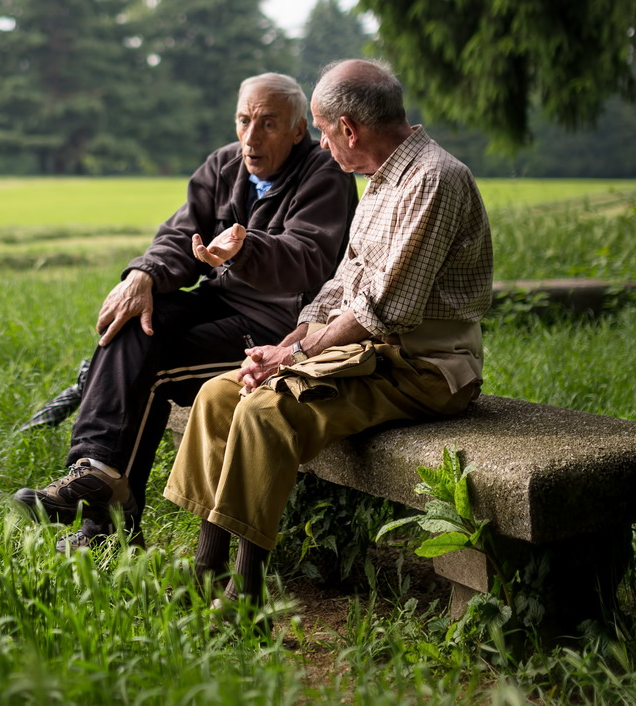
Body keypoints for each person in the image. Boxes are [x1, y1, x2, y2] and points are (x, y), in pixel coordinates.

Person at [163, 59, 493, 610]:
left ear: (349, 129)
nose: (320, 141)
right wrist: (286, 347)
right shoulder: (383, 180)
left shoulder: (433, 179)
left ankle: (244, 595)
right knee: (222, 394)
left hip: (427, 369)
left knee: (267, 410)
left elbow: (385, 311)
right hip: (375, 354)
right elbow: (341, 286)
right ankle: (206, 568)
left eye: (320, 128)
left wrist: (294, 357)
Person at [13, 72, 359, 548]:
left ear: (299, 130)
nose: (251, 137)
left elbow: (306, 260)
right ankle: (93, 468)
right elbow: (180, 234)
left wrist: (242, 248)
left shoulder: (324, 173)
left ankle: (107, 532)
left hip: (277, 327)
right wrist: (144, 276)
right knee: (134, 320)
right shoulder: (223, 165)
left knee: (150, 369)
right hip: (220, 302)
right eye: (243, 120)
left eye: (268, 124)